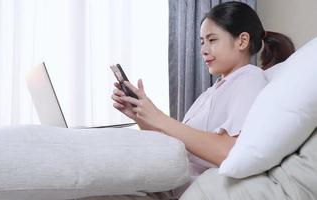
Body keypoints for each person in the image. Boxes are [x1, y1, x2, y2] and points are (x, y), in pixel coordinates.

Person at [82, 1, 295, 200]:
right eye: (202, 42)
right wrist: (141, 117)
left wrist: (159, 117)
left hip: (174, 191)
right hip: (162, 183)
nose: (203, 50)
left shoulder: (248, 78)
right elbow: (179, 145)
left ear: (242, 41)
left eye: (212, 40)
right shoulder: (212, 91)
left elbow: (229, 151)